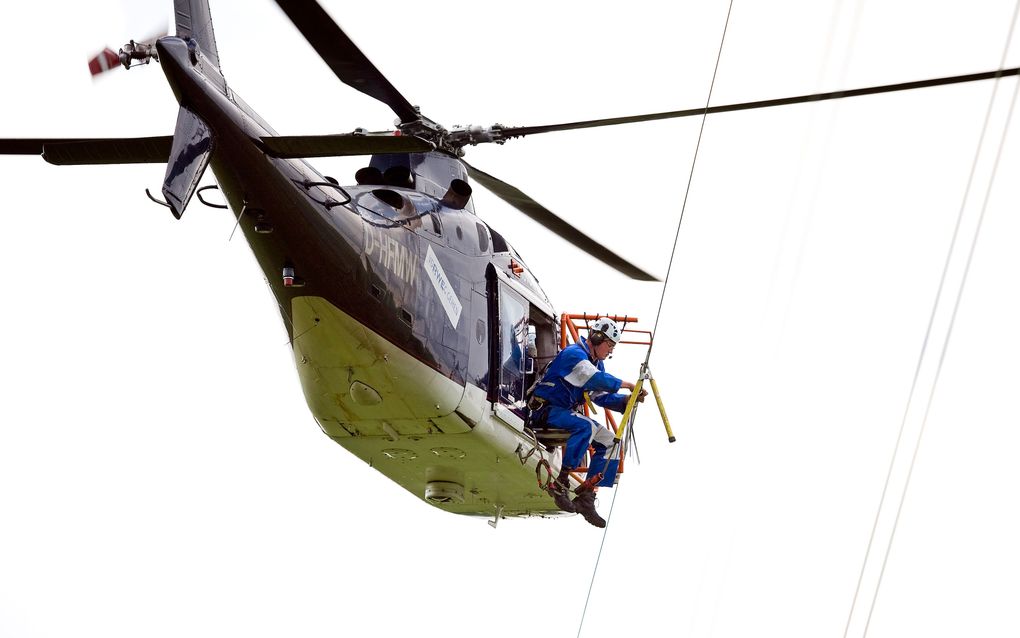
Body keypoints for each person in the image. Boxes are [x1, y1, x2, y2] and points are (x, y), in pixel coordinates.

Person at [528, 317, 646, 528]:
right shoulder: (574, 354)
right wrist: (625, 384)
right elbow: (594, 379)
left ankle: (587, 497)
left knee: (611, 442)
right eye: (609, 345)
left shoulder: (595, 363)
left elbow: (599, 395)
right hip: (546, 411)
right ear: (597, 337)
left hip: (563, 413)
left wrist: (626, 400)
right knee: (586, 426)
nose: (610, 351)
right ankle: (561, 482)